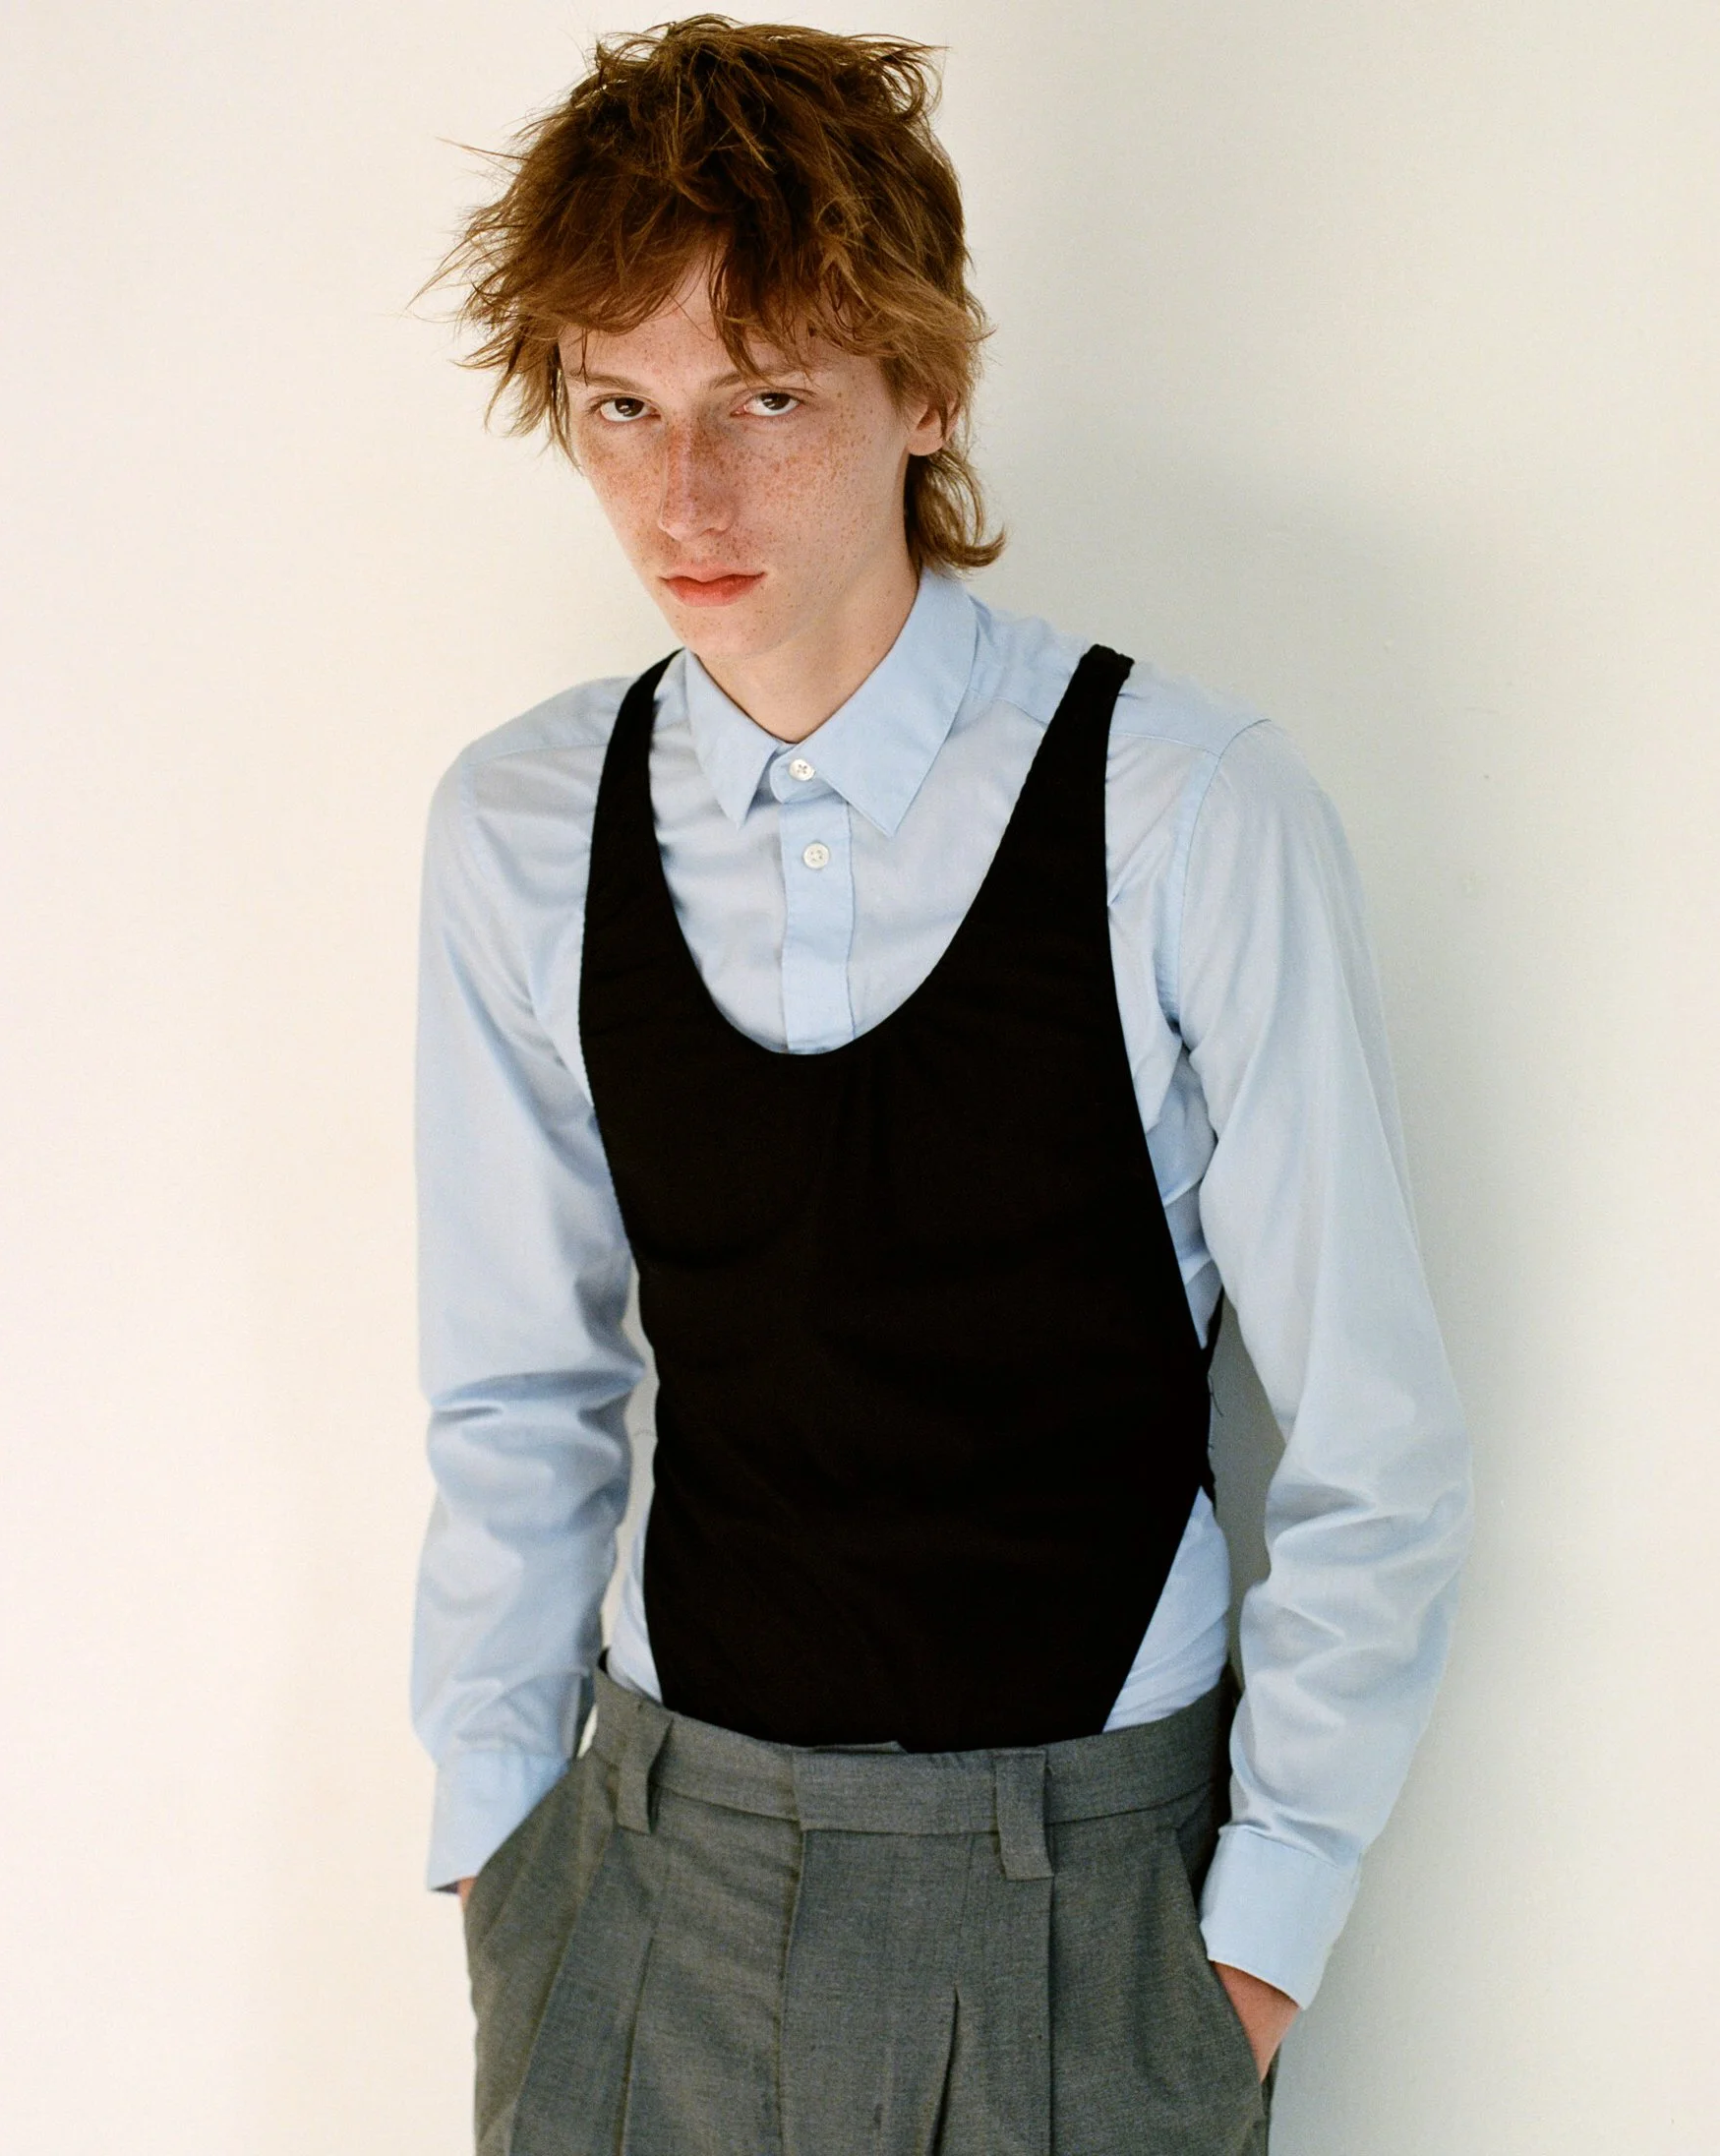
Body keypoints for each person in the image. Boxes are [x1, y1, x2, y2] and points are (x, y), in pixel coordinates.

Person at [409, 17, 1473, 2154]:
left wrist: (1251, 1948)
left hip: (1085, 1910)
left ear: (926, 387)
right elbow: (517, 1393)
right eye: (620, 407)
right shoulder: (520, 825)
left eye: (764, 399)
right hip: (647, 1886)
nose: (683, 498)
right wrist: (501, 1856)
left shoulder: (1187, 810)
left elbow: (1374, 1439)